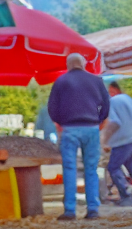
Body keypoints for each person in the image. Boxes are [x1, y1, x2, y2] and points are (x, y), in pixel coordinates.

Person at [47, 53, 111, 220]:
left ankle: (70, 210)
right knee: (91, 169)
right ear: (83, 64)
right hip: (91, 128)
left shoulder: (61, 81)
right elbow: (106, 104)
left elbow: (52, 107)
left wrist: (59, 122)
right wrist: (100, 120)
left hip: (69, 129)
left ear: (68, 65)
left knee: (69, 168)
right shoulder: (96, 80)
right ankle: (93, 209)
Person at [102, 81, 132, 208]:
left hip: (122, 141)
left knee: (113, 167)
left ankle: (126, 194)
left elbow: (115, 122)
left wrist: (105, 140)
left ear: (112, 90)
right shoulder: (127, 99)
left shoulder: (112, 102)